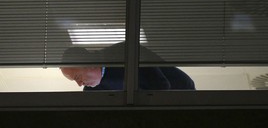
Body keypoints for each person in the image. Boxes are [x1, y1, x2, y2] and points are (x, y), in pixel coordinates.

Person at [60, 42, 195, 90]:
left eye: (77, 77)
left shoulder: (123, 53)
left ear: (89, 64)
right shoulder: (92, 91)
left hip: (180, 89)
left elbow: (161, 86)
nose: (79, 84)